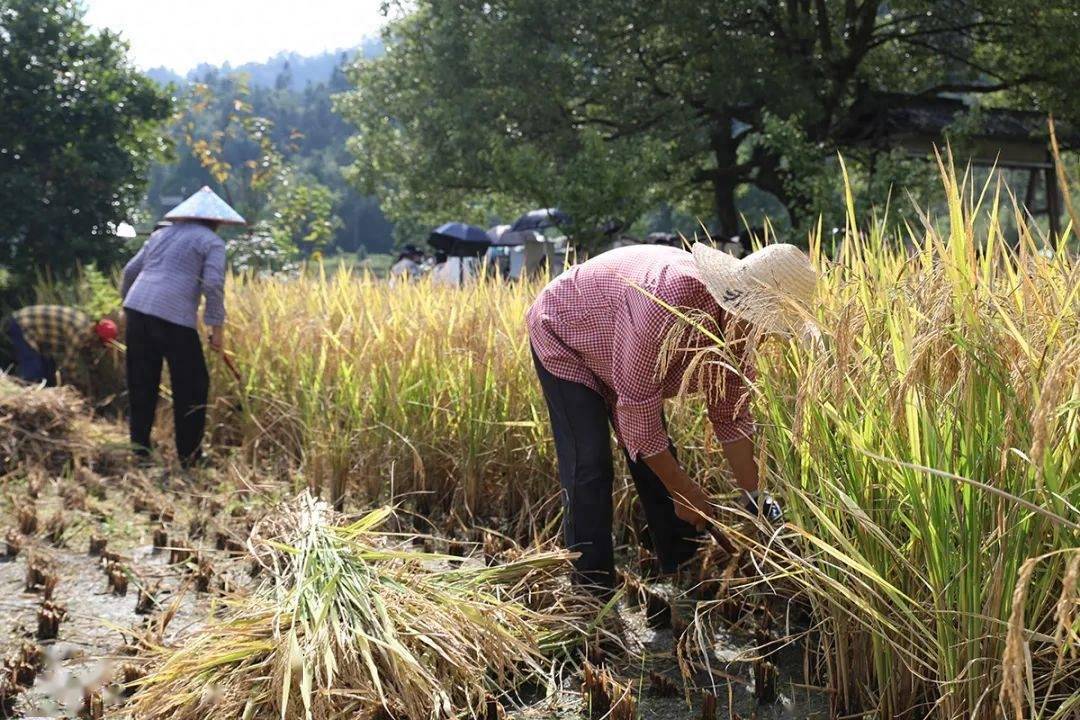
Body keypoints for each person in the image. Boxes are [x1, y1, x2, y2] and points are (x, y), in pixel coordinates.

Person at [526, 242, 817, 595]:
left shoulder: (740, 336)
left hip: (619, 340)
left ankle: (682, 570)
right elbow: (638, 409)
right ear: (738, 302)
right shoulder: (667, 302)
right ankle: (591, 590)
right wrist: (685, 491)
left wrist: (755, 498)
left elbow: (730, 416)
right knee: (590, 462)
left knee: (657, 459)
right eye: (761, 324)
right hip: (566, 328)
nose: (764, 336)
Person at [120, 186, 245, 468]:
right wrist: (217, 329)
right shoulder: (211, 242)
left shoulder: (161, 234)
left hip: (138, 309)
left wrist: (128, 304)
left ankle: (139, 451)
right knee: (192, 385)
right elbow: (213, 284)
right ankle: (190, 456)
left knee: (142, 382)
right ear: (216, 221)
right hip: (173, 317)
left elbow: (130, 271)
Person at [4, 305, 117, 386]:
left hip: (37, 333)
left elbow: (87, 355)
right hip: (22, 324)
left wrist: (95, 377)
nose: (99, 347)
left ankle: (47, 404)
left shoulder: (88, 328)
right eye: (101, 343)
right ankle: (26, 405)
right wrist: (77, 385)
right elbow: (68, 365)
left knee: (49, 371)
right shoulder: (82, 332)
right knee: (34, 370)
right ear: (97, 337)